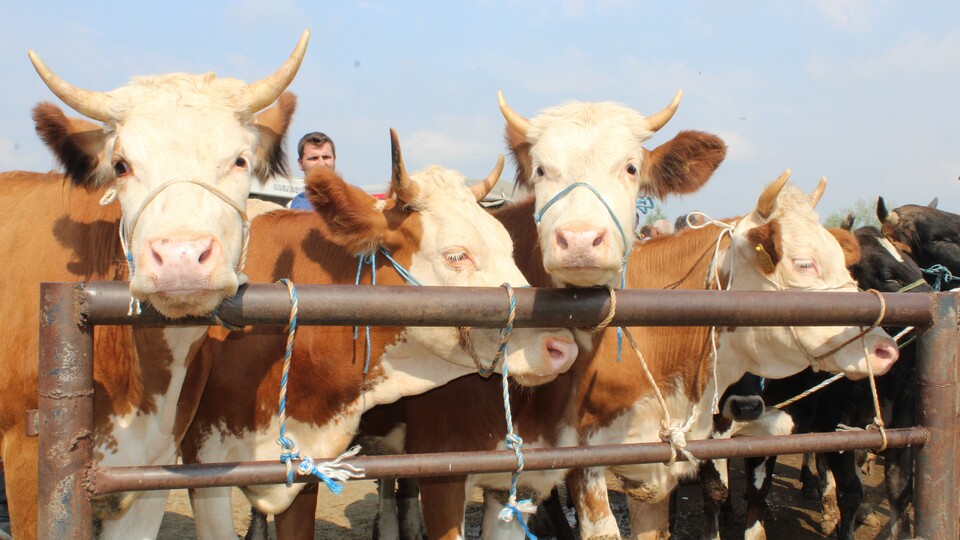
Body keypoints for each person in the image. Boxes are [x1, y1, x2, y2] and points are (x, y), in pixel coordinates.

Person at [287, 131, 336, 210]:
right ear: (300, 163)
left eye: (326, 157)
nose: (321, 164)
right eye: (314, 158)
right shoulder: (295, 208)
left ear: (334, 159)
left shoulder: (354, 200)